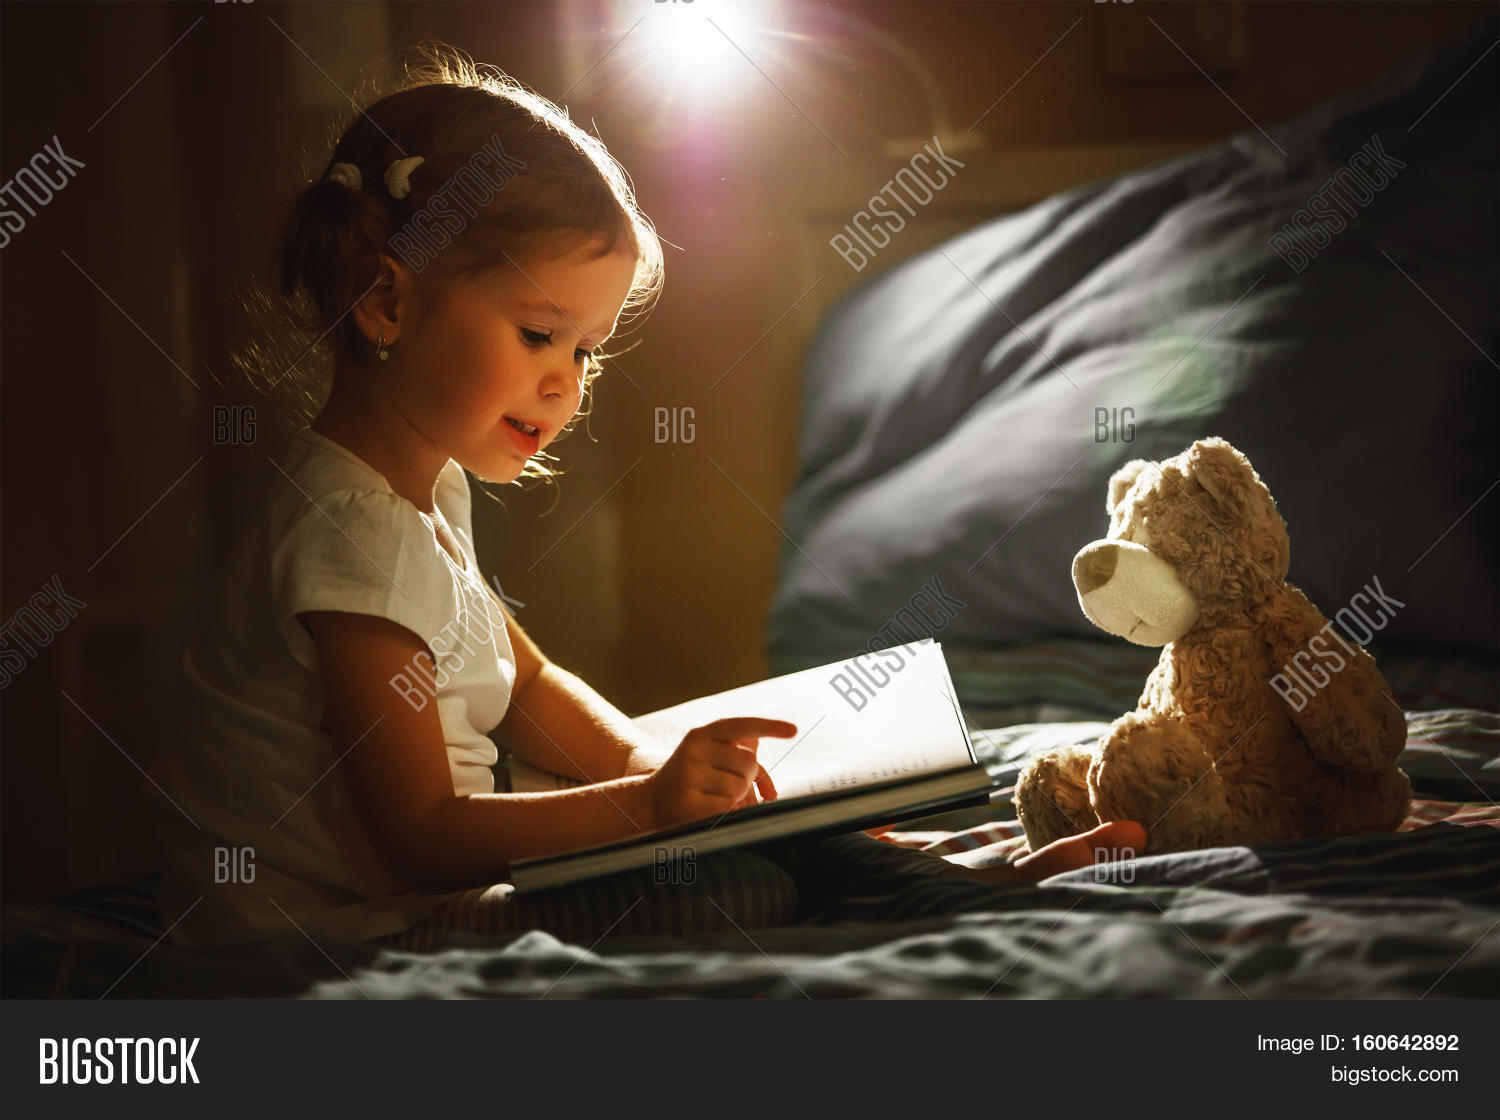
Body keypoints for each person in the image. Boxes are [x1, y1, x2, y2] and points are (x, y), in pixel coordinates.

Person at [153, 45, 1145, 951]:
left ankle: (966, 875)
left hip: (410, 888)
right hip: (352, 928)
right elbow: (419, 834)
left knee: (750, 829)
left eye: (585, 350)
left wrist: (643, 760)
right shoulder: (352, 535)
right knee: (721, 885)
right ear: (387, 301)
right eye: (540, 335)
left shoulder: (417, 491)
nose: (569, 383)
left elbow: (527, 681)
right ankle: (973, 888)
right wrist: (647, 809)